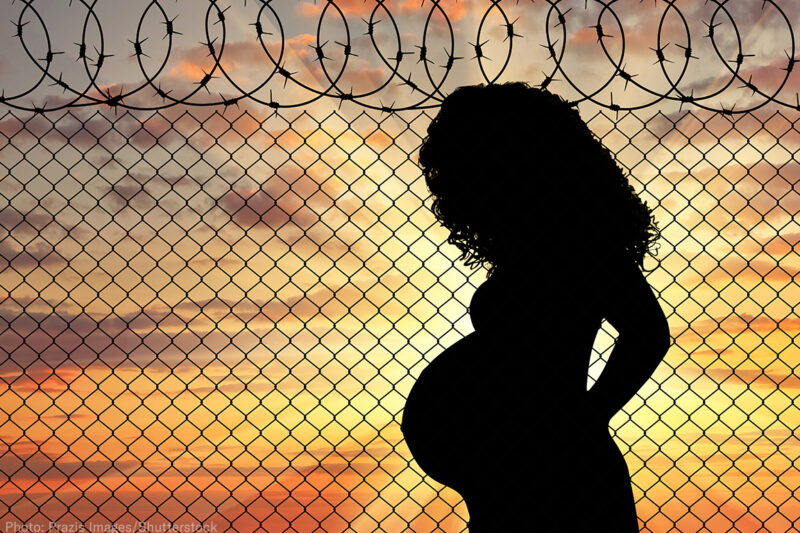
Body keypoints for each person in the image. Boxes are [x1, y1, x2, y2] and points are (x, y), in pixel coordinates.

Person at [400, 82, 671, 531]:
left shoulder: (581, 240)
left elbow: (647, 333)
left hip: (556, 474)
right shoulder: (536, 246)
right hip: (518, 471)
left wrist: (585, 420)